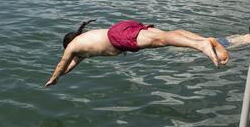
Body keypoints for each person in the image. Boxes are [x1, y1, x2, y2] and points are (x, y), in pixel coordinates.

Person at [45, 20, 229, 86]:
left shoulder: (73, 47)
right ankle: (205, 40)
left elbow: (62, 64)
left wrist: (53, 79)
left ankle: (201, 46)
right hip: (122, 28)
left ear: (68, 44)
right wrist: (61, 76)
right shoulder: (83, 44)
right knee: (167, 36)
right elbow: (69, 67)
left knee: (164, 40)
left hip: (119, 37)